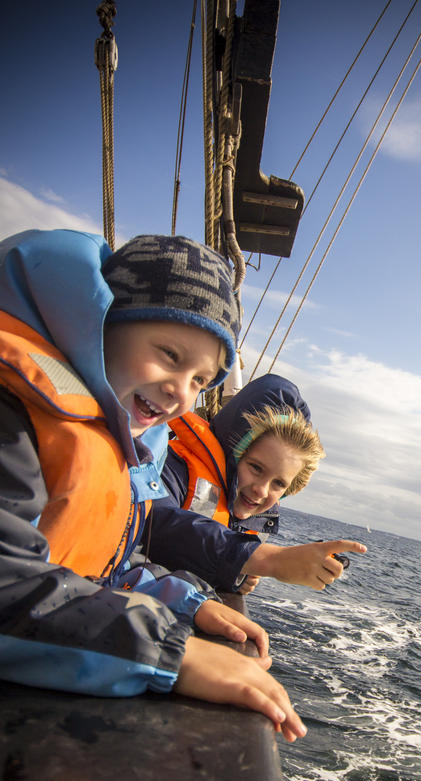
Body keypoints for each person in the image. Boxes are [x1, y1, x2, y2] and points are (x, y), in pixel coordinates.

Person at [0, 229, 305, 742]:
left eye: (199, 382)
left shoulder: (115, 439)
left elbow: (107, 558)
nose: (180, 392)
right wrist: (172, 651)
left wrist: (185, 602)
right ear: (105, 320)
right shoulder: (12, 413)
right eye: (169, 354)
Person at [150, 373, 366, 594]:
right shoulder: (170, 469)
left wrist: (234, 575)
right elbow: (154, 521)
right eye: (255, 468)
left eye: (279, 484)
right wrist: (265, 559)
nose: (261, 490)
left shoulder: (255, 516)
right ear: (232, 454)